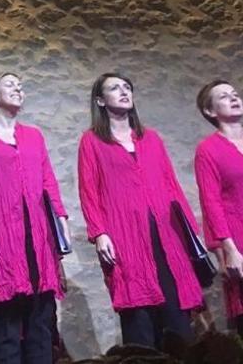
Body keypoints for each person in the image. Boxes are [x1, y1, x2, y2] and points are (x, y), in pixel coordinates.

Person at [78, 72, 202, 348]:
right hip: (126, 238)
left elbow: (172, 186)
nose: (123, 92)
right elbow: (89, 191)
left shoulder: (152, 139)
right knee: (140, 324)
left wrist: (191, 235)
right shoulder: (92, 141)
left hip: (168, 237)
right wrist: (99, 233)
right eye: (114, 88)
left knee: (178, 323)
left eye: (127, 87)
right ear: (100, 100)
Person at [0, 73, 70, 364]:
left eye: (20, 85)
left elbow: (48, 181)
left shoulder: (34, 135)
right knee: (7, 326)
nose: (18, 88)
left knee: (41, 322)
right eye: (10, 84)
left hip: (38, 236)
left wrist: (60, 219)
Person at [193, 80, 243, 336]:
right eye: (224, 97)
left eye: (235, 94)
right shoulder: (208, 150)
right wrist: (228, 249)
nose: (234, 98)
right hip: (238, 236)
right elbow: (211, 203)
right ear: (210, 111)